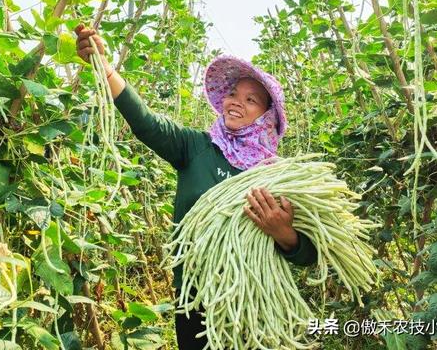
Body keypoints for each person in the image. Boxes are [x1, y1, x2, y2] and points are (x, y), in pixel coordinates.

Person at [74, 24, 317, 349]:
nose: (235, 102)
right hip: (194, 299)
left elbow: (309, 253)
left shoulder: (276, 176)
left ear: (268, 116)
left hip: (253, 303)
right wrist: (105, 68)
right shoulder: (196, 147)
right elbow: (146, 122)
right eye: (232, 94)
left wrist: (284, 234)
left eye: (251, 99)